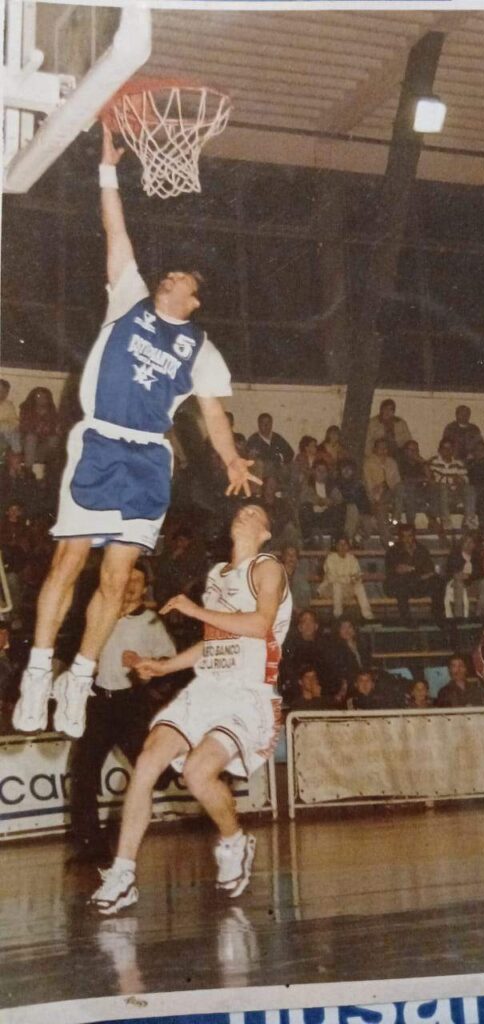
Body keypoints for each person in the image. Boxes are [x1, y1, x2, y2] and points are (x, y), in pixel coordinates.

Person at [12, 126, 258, 741]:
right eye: (167, 276)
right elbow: (115, 230)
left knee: (117, 578)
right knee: (70, 558)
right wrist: (107, 169)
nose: (168, 280)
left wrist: (231, 459)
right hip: (100, 441)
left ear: (194, 302)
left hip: (149, 459)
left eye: (180, 282)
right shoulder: (128, 299)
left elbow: (212, 413)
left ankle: (79, 677)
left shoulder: (201, 348)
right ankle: (39, 672)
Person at [89, 503, 292, 914]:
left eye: (255, 513)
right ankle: (123, 873)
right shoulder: (216, 575)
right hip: (206, 688)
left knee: (199, 773)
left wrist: (193, 609)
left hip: (247, 694)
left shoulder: (268, 568)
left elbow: (260, 625)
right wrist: (165, 666)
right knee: (147, 761)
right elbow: (215, 640)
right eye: (241, 510)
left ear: (266, 533)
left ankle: (234, 841)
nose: (244, 514)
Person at [69, 560, 177, 862]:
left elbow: (169, 664)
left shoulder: (151, 622)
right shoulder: (100, 614)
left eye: (137, 581)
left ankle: (176, 767)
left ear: (145, 588)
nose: (130, 585)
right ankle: (91, 846)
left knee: (155, 773)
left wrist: (144, 665)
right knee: (83, 772)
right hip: (99, 704)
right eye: (127, 578)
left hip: (132, 705)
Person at [385, 524, 444, 628]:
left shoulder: (422, 550)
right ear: (400, 537)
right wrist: (403, 571)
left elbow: (429, 570)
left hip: (418, 584)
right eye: (404, 536)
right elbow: (391, 571)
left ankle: (438, 616)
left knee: (437, 581)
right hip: (402, 585)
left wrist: (413, 571)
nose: (407, 539)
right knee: (401, 583)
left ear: (414, 536)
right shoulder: (393, 551)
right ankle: (407, 619)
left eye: (410, 536)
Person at [317, 536, 374, 621]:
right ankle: (338, 616)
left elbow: (357, 576)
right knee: (337, 585)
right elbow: (332, 578)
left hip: (346, 589)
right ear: (336, 546)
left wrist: (352, 579)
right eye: (340, 544)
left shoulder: (352, 558)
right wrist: (349, 579)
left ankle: (368, 616)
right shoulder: (331, 558)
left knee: (359, 586)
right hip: (329, 589)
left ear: (348, 546)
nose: (343, 547)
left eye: (345, 544)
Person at [428, 439, 476, 533]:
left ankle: (469, 521)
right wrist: (452, 479)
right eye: (445, 448)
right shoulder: (434, 462)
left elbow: (465, 478)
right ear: (440, 450)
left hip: (455, 494)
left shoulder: (458, 463)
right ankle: (446, 522)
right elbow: (436, 479)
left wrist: (461, 480)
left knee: (470, 488)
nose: (448, 451)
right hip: (440, 495)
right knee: (443, 487)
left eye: (450, 448)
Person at [246, 413, 294, 478]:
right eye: (263, 423)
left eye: (268, 423)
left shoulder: (277, 438)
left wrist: (283, 462)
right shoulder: (253, 440)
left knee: (294, 469)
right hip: (264, 471)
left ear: (271, 424)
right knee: (270, 468)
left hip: (280, 468)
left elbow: (290, 452)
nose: (266, 425)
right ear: (259, 424)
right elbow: (253, 459)